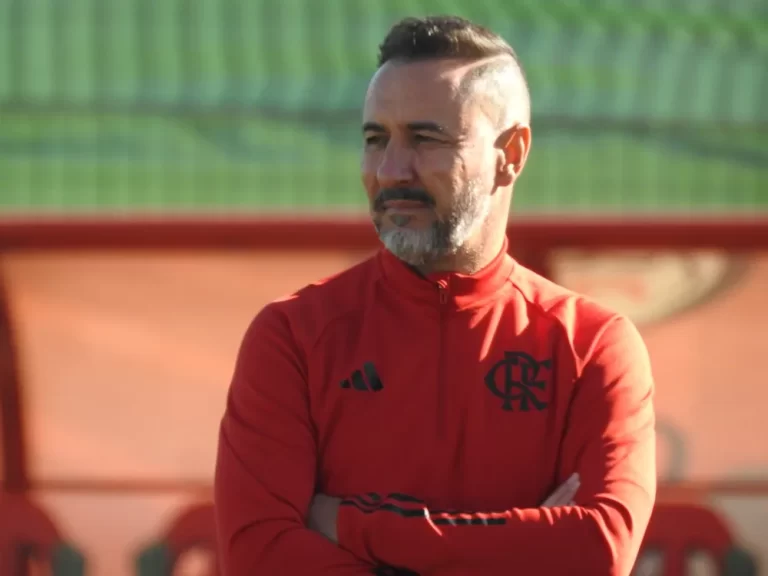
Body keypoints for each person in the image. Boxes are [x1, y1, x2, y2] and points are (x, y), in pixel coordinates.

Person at [214, 15, 656, 576]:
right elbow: (261, 558)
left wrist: (349, 525)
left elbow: (598, 548)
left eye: (426, 139)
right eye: (375, 140)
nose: (391, 169)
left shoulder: (592, 344)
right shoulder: (293, 336)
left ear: (511, 153)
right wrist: (523, 549)